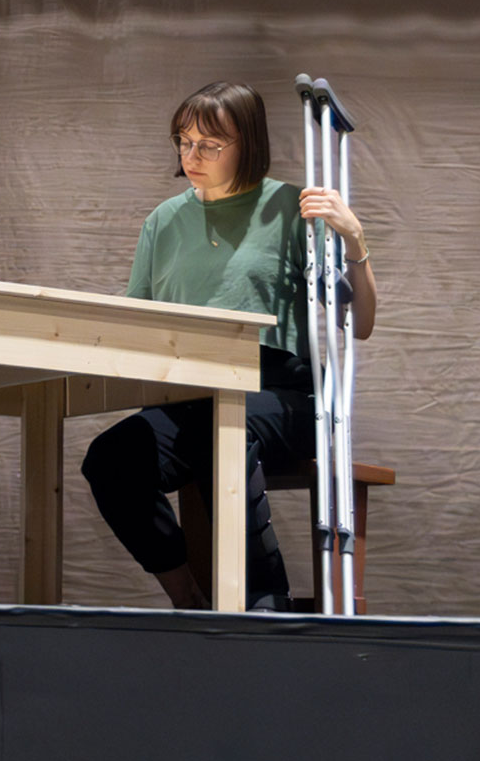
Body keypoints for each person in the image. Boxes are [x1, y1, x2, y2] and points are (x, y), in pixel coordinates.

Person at [81, 80, 378, 610]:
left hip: (277, 391)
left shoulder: (290, 207)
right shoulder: (163, 222)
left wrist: (354, 240)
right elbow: (138, 320)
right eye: (183, 141)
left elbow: (360, 324)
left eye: (209, 146)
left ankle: (265, 600)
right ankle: (188, 597)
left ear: (248, 145)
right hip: (188, 390)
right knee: (112, 458)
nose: (191, 156)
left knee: (222, 423)